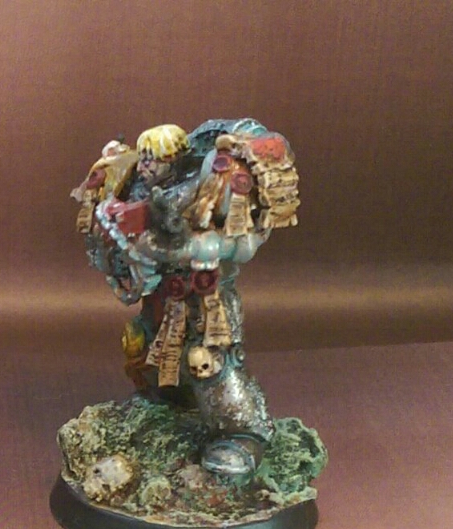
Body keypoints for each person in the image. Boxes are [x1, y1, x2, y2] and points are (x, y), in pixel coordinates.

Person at [74, 119, 301, 475]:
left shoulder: (220, 182)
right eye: (145, 157)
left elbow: (243, 245)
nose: (146, 165)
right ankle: (171, 399)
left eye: (154, 159)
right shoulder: (144, 182)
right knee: (146, 344)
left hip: (204, 296)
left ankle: (242, 433)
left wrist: (186, 246)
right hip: (162, 292)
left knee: (208, 360)